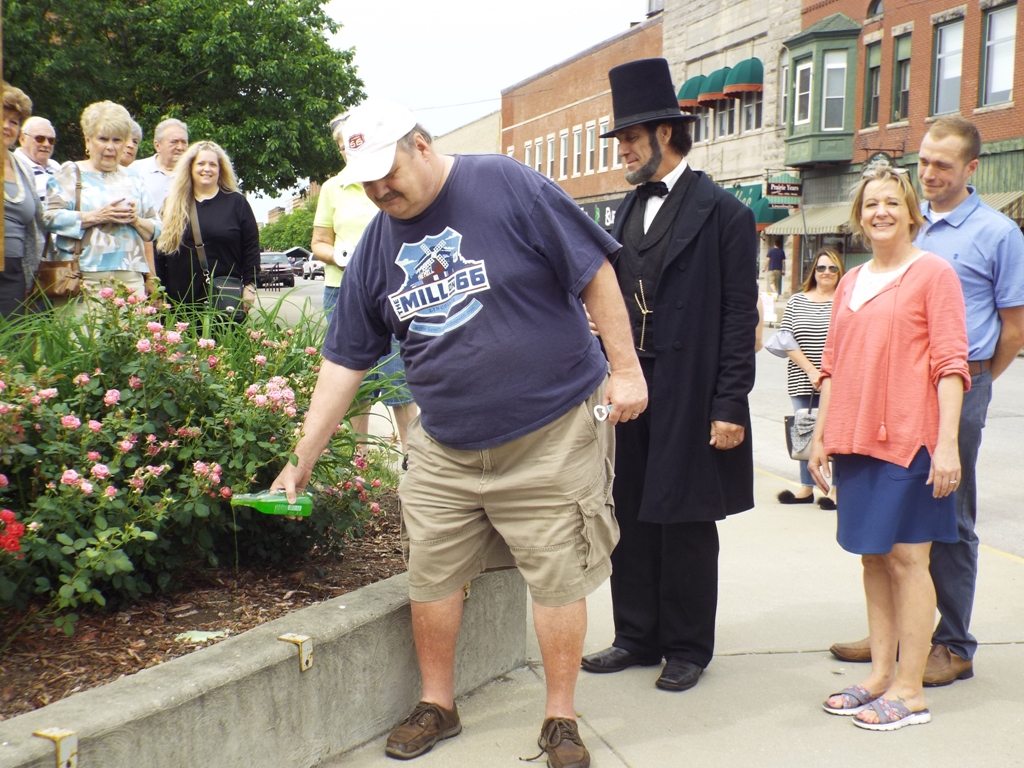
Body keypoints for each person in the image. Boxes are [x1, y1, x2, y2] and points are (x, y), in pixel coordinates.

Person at [272, 98, 646, 768]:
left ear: (420, 144)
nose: (380, 190)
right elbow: (344, 361)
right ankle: (437, 704)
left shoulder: (504, 183)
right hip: (444, 444)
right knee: (432, 572)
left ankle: (560, 717)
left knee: (557, 575)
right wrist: (300, 460)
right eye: (366, 181)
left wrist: (626, 369)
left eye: (388, 172)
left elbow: (594, 270)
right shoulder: (376, 245)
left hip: (552, 430)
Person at [580, 58, 758, 693]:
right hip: (631, 385)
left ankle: (686, 646)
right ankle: (636, 634)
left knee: (684, 519)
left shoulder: (725, 213)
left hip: (692, 387)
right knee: (629, 510)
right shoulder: (625, 211)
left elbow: (740, 316)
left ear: (665, 133)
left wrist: (730, 404)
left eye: (630, 137)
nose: (623, 150)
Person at [828, 118, 1024, 684]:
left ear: (971, 168)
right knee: (892, 529)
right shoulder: (905, 226)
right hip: (890, 398)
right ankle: (892, 637)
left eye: (943, 164)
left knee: (949, 518)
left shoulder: (996, 233)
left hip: (958, 384)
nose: (930, 173)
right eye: (924, 162)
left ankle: (953, 642)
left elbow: (1014, 328)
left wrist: (977, 381)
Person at [811, 165, 969, 730]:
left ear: (911, 213)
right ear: (860, 217)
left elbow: (951, 365)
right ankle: (879, 676)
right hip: (855, 440)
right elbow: (831, 365)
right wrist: (821, 435)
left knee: (908, 560)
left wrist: (947, 445)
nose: (881, 212)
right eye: (871, 204)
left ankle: (910, 689)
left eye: (892, 202)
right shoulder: (851, 280)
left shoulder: (933, 274)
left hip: (911, 440)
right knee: (873, 557)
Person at [312, 112, 418, 463]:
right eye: (343, 145)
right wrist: (339, 256)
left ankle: (412, 454)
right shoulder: (333, 188)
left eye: (353, 142)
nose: (348, 149)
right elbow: (319, 242)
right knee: (353, 375)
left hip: (392, 288)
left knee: (397, 373)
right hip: (342, 288)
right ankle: (359, 458)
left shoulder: (388, 181)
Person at [44, 101, 161, 298]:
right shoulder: (71, 172)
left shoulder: (134, 178)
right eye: (103, 139)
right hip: (81, 279)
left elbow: (156, 228)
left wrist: (135, 220)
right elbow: (48, 218)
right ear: (88, 140)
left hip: (130, 280)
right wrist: (96, 216)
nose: (110, 147)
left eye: (117, 140)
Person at [772, 248, 844, 509]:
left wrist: (827, 374)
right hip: (803, 378)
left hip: (838, 380)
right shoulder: (796, 301)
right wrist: (812, 371)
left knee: (836, 433)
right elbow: (785, 339)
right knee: (804, 430)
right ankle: (806, 487)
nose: (827, 273)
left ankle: (835, 490)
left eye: (833, 268)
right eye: (821, 267)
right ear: (814, 271)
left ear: (840, 272)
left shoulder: (846, 300)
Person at [155, 141, 259, 312]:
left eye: (212, 164)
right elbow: (159, 251)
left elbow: (251, 248)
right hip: (179, 300)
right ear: (190, 167)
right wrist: (158, 291)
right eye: (201, 163)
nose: (207, 169)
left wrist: (250, 285)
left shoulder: (236, 203)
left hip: (224, 299)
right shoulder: (172, 205)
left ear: (220, 169)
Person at [2, 83, 44, 319]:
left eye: (14, 122)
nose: (6, 126)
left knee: (13, 340)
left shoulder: (23, 168)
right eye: (2, 118)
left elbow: (37, 222)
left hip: (15, 273)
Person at [129, 117, 187, 210]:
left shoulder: (193, 173)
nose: (180, 147)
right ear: (157, 146)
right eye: (174, 142)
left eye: (184, 142)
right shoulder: (136, 170)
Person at [15, 116, 61, 201]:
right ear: (22, 139)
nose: (46, 144)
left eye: (51, 140)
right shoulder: (13, 166)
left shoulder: (56, 167)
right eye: (40, 138)